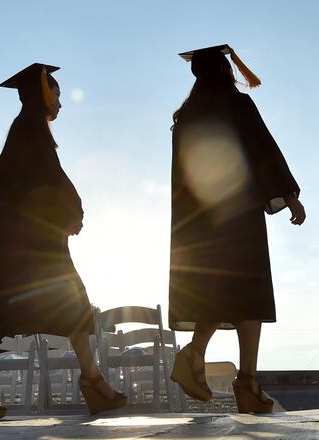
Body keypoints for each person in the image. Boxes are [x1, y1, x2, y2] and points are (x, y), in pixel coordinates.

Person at [0, 64, 127, 420]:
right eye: (57, 93)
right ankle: (91, 380)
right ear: (43, 94)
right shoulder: (31, 131)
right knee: (68, 302)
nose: (61, 103)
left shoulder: (27, 131)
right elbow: (51, 182)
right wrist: (72, 214)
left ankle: (90, 378)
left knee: (65, 305)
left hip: (18, 242)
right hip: (24, 246)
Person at [169, 44, 305, 414]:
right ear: (226, 71)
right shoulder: (238, 105)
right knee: (250, 292)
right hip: (238, 213)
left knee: (220, 292)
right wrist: (288, 195)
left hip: (200, 223)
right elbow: (263, 149)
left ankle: (194, 353)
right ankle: (247, 381)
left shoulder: (186, 117)